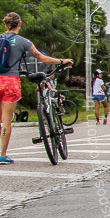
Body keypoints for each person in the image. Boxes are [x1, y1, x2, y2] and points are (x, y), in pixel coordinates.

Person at [0, 12, 74, 164]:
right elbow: (41, 58)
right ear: (19, 24)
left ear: (5, 24)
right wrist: (62, 60)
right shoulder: (22, 41)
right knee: (6, 120)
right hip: (10, 81)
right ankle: (2, 154)